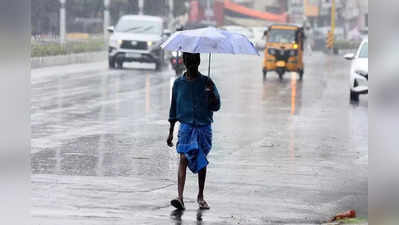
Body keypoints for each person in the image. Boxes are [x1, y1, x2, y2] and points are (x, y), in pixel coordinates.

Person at [167, 52, 221, 210]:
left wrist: (211, 94)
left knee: (202, 162)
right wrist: (171, 131)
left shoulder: (207, 82)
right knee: (183, 158)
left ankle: (200, 196)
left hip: (203, 127)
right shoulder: (178, 84)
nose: (191, 67)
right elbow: (173, 109)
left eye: (194, 63)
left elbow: (216, 106)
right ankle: (180, 197)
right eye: (188, 63)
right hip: (186, 128)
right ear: (184, 62)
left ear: (198, 62)